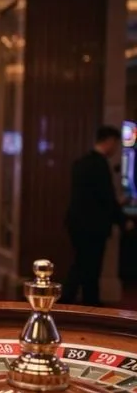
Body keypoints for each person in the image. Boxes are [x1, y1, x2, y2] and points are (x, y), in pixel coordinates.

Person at [61, 125, 133, 306]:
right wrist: (123, 220)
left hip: (77, 223)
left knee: (82, 265)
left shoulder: (81, 162)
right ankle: (81, 303)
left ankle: (81, 303)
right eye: (116, 144)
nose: (116, 149)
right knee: (88, 268)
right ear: (110, 141)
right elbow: (106, 198)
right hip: (93, 226)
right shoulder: (100, 165)